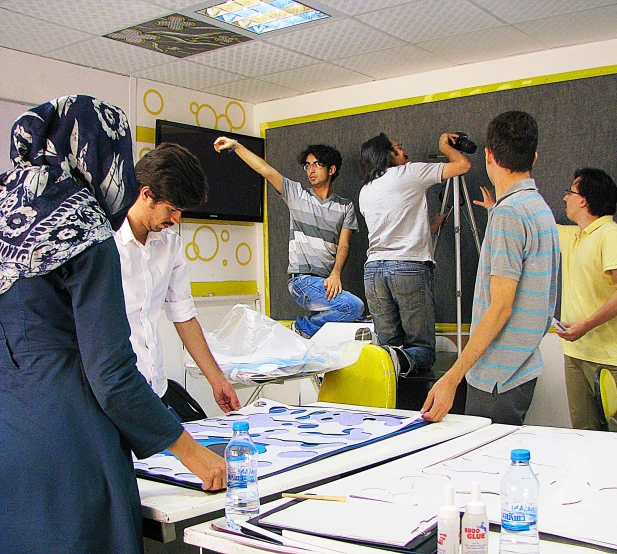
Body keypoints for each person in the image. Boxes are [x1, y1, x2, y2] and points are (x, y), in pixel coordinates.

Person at [0, 95, 225, 554]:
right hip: (73, 438)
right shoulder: (86, 227)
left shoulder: (8, 213)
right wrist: (191, 452)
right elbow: (111, 373)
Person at [421, 111, 559, 423]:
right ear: (533, 156)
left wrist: (452, 377)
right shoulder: (539, 209)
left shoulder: (510, 214)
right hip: (519, 368)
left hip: (498, 375)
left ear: (488, 156)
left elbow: (500, 308)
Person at [115, 143, 240, 417]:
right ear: (146, 194)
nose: (176, 219)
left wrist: (217, 380)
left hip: (154, 387)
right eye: (172, 209)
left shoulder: (170, 245)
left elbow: (184, 315)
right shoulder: (105, 243)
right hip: (114, 392)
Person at [213, 136, 363, 338]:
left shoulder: (345, 206)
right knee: (354, 306)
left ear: (332, 169)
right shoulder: (297, 194)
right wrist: (236, 146)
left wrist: (336, 274)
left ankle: (305, 342)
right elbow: (265, 170)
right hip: (302, 280)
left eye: (317, 165)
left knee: (349, 322)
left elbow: (344, 244)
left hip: (325, 281)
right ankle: (300, 330)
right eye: (308, 166)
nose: (311, 170)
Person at [358, 132, 471, 375]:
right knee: (421, 349)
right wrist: (445, 145)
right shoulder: (409, 173)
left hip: (374, 271)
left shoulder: (365, 190)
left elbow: (392, 229)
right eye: (399, 147)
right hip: (408, 268)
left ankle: (391, 383)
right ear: (387, 154)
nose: (405, 152)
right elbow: (462, 165)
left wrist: (430, 227)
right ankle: (405, 378)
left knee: (388, 349)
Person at [557, 167, 617, 433]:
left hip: (608, 356)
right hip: (575, 354)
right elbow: (534, 224)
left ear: (584, 199)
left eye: (570, 192)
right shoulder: (574, 235)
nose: (565, 198)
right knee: (583, 434)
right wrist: (497, 208)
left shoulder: (611, 235)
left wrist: (587, 325)